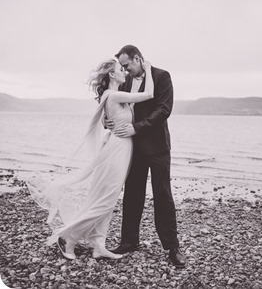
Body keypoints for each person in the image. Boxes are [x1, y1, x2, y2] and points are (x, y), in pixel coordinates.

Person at [27, 56, 154, 261]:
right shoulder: (113, 95)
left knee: (108, 198)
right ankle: (68, 237)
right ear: (112, 74)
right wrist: (147, 68)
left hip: (121, 149)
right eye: (121, 69)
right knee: (106, 199)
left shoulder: (111, 95)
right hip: (117, 150)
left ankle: (99, 246)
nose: (125, 72)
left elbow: (112, 118)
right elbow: (149, 94)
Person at [107, 45, 185, 268]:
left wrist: (137, 127)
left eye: (127, 64)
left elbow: (163, 109)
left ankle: (172, 247)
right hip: (133, 147)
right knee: (132, 195)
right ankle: (129, 241)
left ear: (138, 59)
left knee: (163, 196)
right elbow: (119, 105)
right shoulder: (127, 80)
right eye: (122, 66)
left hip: (158, 147)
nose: (125, 69)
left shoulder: (162, 76)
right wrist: (108, 121)